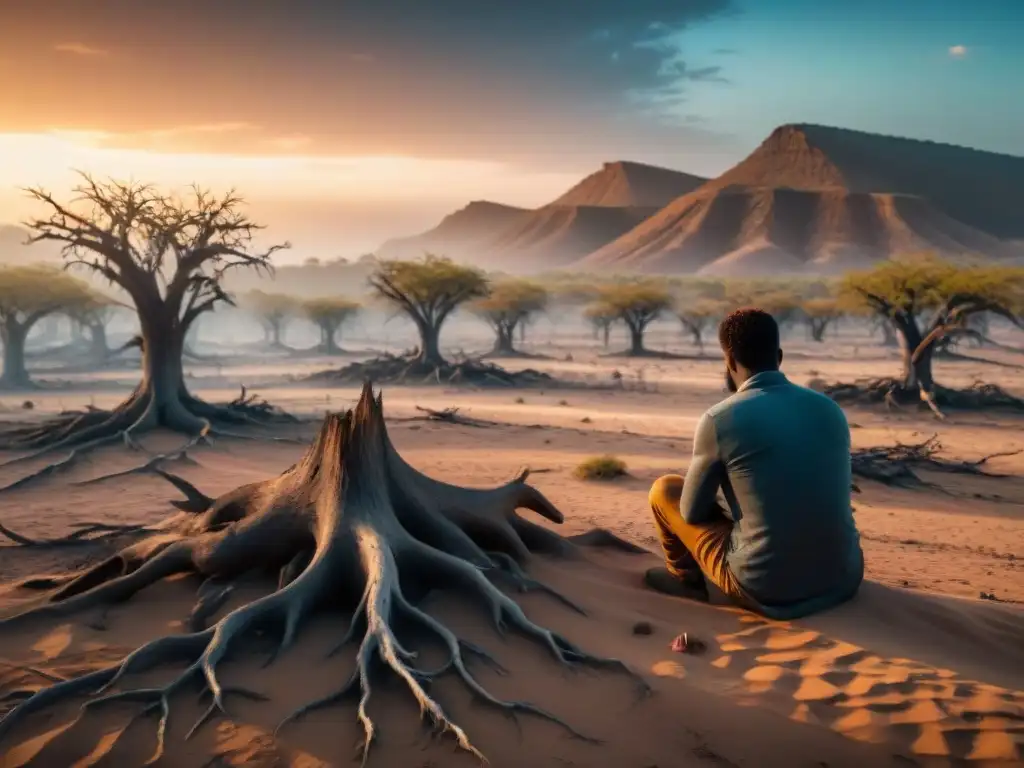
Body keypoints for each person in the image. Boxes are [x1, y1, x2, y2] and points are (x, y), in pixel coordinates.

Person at [645, 307, 864, 620]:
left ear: (730, 361)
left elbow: (691, 512)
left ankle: (686, 581)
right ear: (779, 356)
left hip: (766, 588)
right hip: (845, 578)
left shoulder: (719, 419)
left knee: (664, 490)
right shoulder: (829, 409)